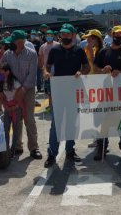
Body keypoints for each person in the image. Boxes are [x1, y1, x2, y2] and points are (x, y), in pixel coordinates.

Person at [43, 23, 88, 167]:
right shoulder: (55, 50)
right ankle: (52, 153)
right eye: (63, 34)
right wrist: (46, 72)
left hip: (74, 91)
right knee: (56, 124)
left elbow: (87, 66)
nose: (65, 36)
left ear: (73, 35)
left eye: (68, 34)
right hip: (58, 91)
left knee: (71, 123)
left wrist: (82, 72)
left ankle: (70, 151)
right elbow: (47, 66)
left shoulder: (79, 51)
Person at [93, 25, 121, 162]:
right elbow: (95, 68)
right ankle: (102, 146)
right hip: (106, 94)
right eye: (117, 35)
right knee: (104, 121)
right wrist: (102, 70)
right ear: (112, 35)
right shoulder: (104, 52)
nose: (120, 37)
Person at [0, 30, 42, 160]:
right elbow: (0, 70)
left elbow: (32, 74)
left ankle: (34, 147)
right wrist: (0, 89)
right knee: (16, 118)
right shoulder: (7, 54)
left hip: (27, 90)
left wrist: (23, 89)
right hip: (11, 91)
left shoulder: (31, 54)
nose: (11, 43)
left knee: (29, 118)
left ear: (21, 42)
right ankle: (17, 146)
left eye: (14, 41)